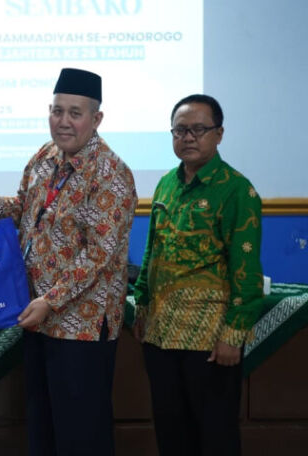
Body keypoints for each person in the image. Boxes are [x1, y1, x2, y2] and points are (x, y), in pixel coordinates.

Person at [0, 68, 137, 455]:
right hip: (38, 317)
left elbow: (98, 254)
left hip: (80, 325)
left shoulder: (111, 173)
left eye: (75, 113)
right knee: (43, 427)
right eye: (57, 111)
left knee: (80, 434)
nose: (63, 121)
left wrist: (50, 300)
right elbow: (24, 211)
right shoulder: (44, 157)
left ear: (96, 118)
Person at [133, 94, 264, 456]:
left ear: (219, 134)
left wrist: (233, 335)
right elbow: (152, 250)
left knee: (215, 436)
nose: (188, 137)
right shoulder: (166, 184)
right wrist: (141, 303)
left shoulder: (237, 190)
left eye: (199, 129)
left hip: (209, 340)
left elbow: (246, 268)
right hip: (160, 334)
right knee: (171, 435)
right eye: (180, 130)